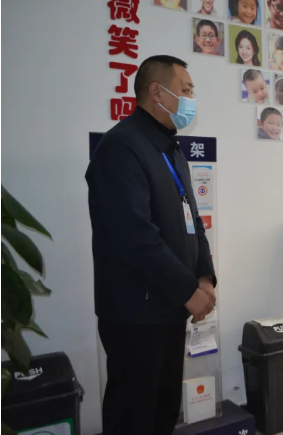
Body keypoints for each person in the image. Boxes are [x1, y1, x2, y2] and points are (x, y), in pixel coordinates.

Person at [86, 55, 216, 435]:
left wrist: (205, 277)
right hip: (135, 313)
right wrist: (188, 290)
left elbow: (194, 221)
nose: (191, 99)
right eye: (185, 90)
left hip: (170, 307)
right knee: (134, 417)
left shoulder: (171, 150)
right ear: (157, 92)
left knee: (163, 413)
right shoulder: (121, 147)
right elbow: (134, 236)